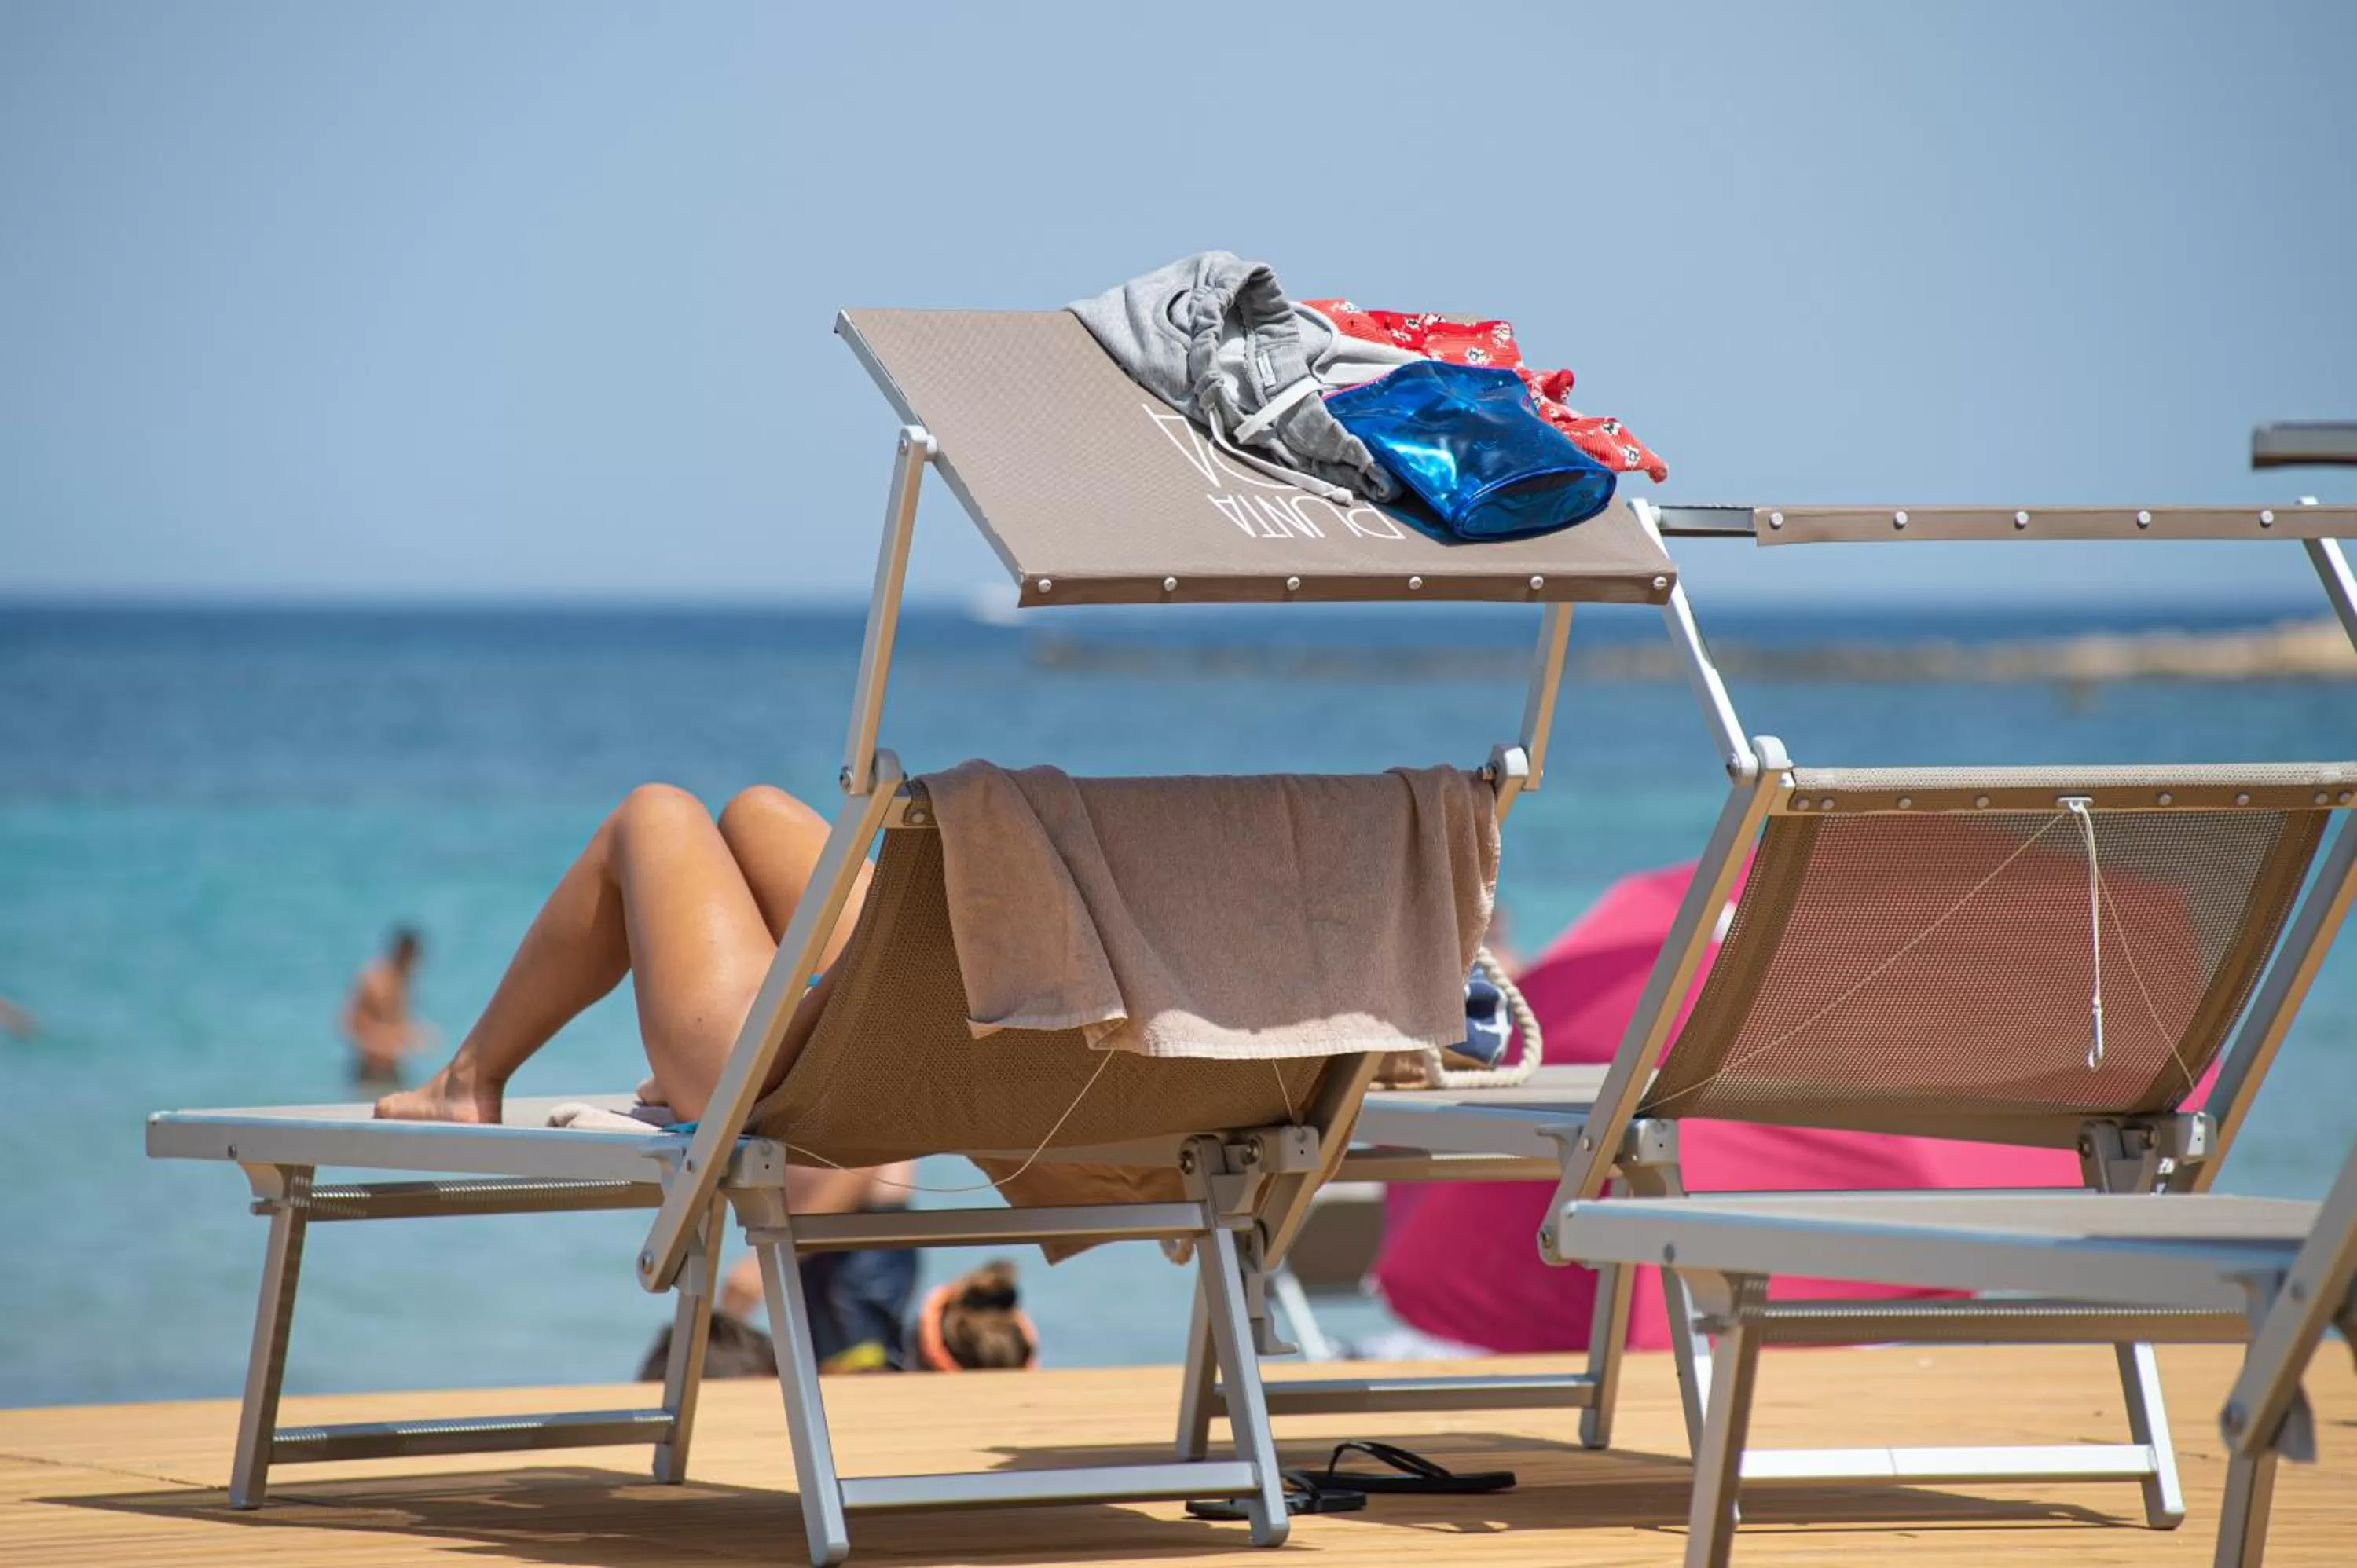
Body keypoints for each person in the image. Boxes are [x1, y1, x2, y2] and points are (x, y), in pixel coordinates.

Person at [374, 784, 871, 1125]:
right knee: (758, 813)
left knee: (654, 814)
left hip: (811, 1081)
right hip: (936, 1074)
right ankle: (697, 1058)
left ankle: (468, 1078)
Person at [343, 926, 433, 1083]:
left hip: (393, 1069)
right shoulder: (374, 979)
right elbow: (350, 1023)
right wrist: (387, 1041)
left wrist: (415, 1034)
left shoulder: (402, 981)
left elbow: (395, 1023)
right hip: (369, 1069)